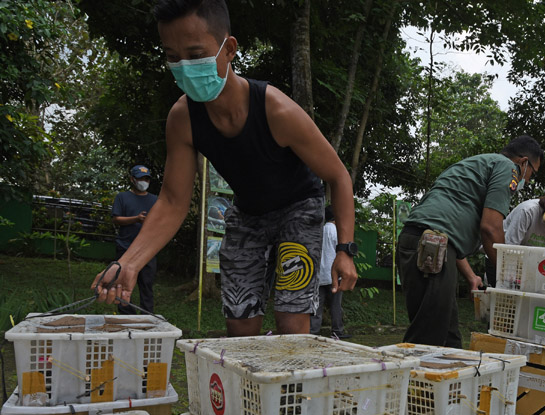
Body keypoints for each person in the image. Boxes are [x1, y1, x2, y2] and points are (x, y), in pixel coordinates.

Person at [92, 0, 357, 337]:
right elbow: (173, 202)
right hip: (248, 214)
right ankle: (248, 390)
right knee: (239, 320)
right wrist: (127, 262)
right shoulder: (183, 118)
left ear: (228, 48)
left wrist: (345, 251)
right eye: (173, 57)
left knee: (292, 321)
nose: (185, 67)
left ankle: (290, 390)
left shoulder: (275, 109)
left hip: (298, 209)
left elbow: (337, 175)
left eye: (195, 53)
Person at [397, 135, 544, 348]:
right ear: (523, 162)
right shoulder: (507, 168)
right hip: (432, 246)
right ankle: (411, 381)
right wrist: (509, 276)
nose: (528, 180)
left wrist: (471, 275)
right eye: (532, 173)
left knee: (449, 339)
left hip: (423, 243)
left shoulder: (476, 164)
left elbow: (448, 235)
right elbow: (491, 228)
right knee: (428, 339)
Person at [111, 165, 159, 314]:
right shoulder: (122, 197)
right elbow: (116, 219)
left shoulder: (156, 200)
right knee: (122, 284)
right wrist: (136, 219)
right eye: (140, 178)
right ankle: (126, 317)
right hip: (125, 247)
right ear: (132, 179)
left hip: (147, 250)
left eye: (146, 179)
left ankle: (147, 317)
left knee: (146, 285)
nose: (143, 181)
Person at [311, 206, 350, 339]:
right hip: (334, 274)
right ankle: (337, 331)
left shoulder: (319, 231)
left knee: (317, 305)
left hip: (319, 274)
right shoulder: (337, 232)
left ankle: (313, 331)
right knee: (335, 305)